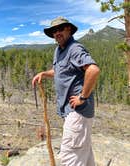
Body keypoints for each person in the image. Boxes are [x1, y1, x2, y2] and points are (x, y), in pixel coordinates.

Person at [32, 16, 100, 166]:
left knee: (70, 156)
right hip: (73, 112)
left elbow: (93, 70)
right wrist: (43, 73)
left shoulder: (74, 49)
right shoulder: (59, 50)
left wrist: (82, 97)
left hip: (78, 111)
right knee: (84, 152)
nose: (57, 33)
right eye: (54, 31)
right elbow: (59, 71)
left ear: (68, 29)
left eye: (60, 29)